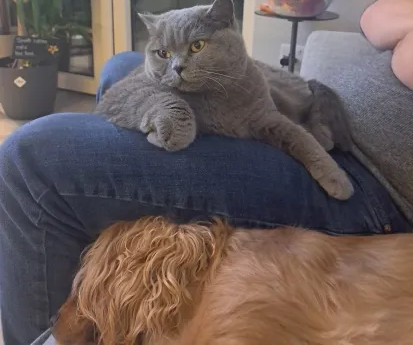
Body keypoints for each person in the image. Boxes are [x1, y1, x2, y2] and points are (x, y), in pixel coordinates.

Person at [0, 34, 412, 345]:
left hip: (361, 184)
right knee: (123, 67)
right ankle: (100, 299)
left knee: (30, 162)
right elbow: (375, 17)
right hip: (315, 115)